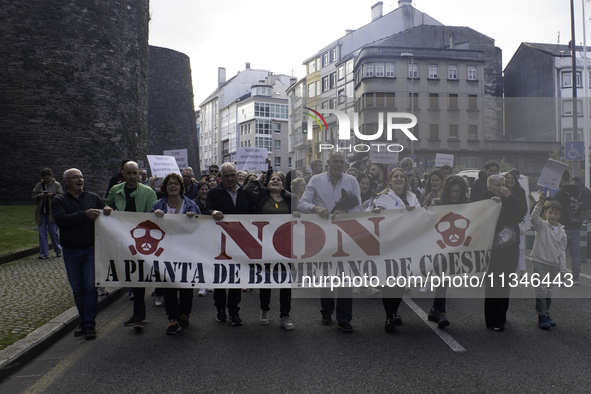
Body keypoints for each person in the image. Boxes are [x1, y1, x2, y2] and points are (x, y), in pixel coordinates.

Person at [298, 151, 362, 332]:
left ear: (345, 164)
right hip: (323, 234)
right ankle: (326, 312)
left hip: (346, 234)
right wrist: (315, 207)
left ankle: (344, 318)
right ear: (328, 162)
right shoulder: (316, 180)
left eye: (341, 162)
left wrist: (347, 213)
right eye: (335, 161)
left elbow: (359, 206)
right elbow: (302, 204)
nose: (338, 164)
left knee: (345, 276)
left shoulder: (352, 181)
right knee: (326, 274)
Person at [52, 168, 109, 339]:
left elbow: (106, 212)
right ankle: (84, 321)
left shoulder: (93, 198)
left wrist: (107, 209)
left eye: (81, 177)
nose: (80, 180)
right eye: (75, 177)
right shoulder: (58, 200)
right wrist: (84, 215)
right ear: (66, 182)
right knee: (78, 289)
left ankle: (90, 324)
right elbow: (61, 220)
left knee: (90, 287)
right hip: (70, 251)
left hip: (90, 249)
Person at [366, 168, 420, 332]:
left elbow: (422, 216)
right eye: (395, 176)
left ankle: (395, 311)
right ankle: (389, 316)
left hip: (406, 245)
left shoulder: (412, 197)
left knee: (401, 282)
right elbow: (367, 215)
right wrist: (375, 213)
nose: (398, 179)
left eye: (401, 176)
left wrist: (414, 212)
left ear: (405, 180)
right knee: (389, 282)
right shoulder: (381, 197)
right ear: (389, 181)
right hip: (388, 245)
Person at [106, 161, 157, 330]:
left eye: (135, 173)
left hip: (142, 240)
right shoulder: (115, 190)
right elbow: (108, 207)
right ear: (123, 173)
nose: (132, 176)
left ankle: (138, 315)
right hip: (123, 239)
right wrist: (107, 209)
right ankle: (139, 314)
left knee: (138, 276)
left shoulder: (148, 192)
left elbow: (152, 218)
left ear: (140, 174)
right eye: (128, 173)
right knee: (132, 275)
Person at [243, 172, 296, 330]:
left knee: (285, 282)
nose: (275, 181)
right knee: (265, 279)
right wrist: (258, 180)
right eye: (272, 179)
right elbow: (246, 190)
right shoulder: (261, 197)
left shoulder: (290, 199)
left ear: (283, 184)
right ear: (267, 183)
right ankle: (264, 311)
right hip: (264, 244)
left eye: (278, 180)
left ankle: (284, 316)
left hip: (285, 246)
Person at [150, 173, 200, 334]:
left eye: (176, 184)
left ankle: (184, 314)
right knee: (168, 284)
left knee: (186, 283)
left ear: (181, 187)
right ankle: (173, 319)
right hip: (164, 251)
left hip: (186, 251)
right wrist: (154, 216)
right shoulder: (158, 204)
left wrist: (194, 218)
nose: (173, 186)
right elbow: (148, 226)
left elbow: (201, 228)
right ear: (165, 187)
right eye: (170, 184)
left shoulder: (191, 205)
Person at [205, 162, 250, 326]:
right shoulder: (214, 192)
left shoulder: (245, 192)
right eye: (227, 176)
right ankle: (220, 310)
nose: (230, 178)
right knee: (220, 279)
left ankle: (234, 312)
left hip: (240, 242)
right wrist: (213, 212)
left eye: (233, 175)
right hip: (220, 243)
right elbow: (206, 208)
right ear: (220, 177)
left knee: (236, 279)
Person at [483, 174, 527, 331]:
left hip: (511, 249)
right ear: (489, 187)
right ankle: (494, 319)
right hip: (494, 251)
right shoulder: (485, 201)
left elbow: (522, 212)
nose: (502, 188)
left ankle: (502, 315)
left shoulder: (510, 198)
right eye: (497, 185)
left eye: (504, 185)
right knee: (494, 285)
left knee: (505, 283)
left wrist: (509, 197)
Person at [426, 175, 470, 329]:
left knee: (444, 278)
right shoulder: (438, 204)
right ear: (447, 192)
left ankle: (434, 310)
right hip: (439, 247)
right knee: (442, 278)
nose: (455, 194)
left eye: (458, 191)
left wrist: (494, 202)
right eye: (452, 191)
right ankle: (442, 313)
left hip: (455, 249)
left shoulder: (467, 205)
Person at [530, 191, 567, 329]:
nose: (552, 215)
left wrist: (563, 269)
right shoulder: (541, 225)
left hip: (553, 264)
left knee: (549, 290)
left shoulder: (562, 231)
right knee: (540, 289)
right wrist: (539, 203)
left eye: (555, 213)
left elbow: (562, 251)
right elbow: (533, 217)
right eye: (550, 212)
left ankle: (547, 313)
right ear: (545, 213)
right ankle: (541, 317)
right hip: (539, 261)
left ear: (559, 215)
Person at [553, 170, 589, 285]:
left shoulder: (560, 194)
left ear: (561, 179)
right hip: (576, 225)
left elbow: (554, 208)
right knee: (575, 253)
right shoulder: (578, 191)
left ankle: (562, 278)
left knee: (561, 252)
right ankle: (576, 277)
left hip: (563, 226)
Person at [32, 168, 63, 259]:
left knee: (54, 232)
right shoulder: (39, 185)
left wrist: (52, 195)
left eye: (47, 178)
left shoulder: (56, 185)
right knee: (42, 233)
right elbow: (33, 196)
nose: (46, 180)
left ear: (51, 177)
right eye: (44, 178)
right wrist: (39, 196)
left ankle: (58, 249)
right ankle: (44, 253)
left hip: (51, 213)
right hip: (41, 213)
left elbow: (61, 197)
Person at [505, 169, 528, 278]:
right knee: (508, 248)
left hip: (518, 223)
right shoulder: (501, 191)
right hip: (506, 224)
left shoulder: (520, 191)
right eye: (508, 178)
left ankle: (522, 271)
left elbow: (524, 208)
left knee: (521, 248)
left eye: (512, 178)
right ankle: (510, 272)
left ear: (516, 180)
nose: (510, 180)